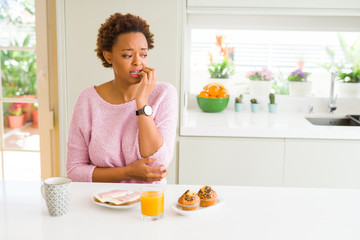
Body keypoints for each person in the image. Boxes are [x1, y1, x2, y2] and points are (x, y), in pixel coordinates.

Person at [66, 13, 177, 184]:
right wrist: (128, 173)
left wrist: (142, 102)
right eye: (127, 55)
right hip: (100, 202)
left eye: (144, 54)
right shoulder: (88, 100)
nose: (138, 62)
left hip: (147, 202)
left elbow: (158, 163)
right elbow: (74, 170)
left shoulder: (164, 94)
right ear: (108, 56)